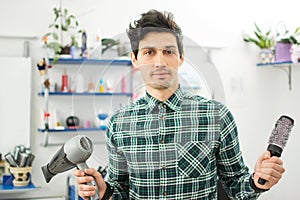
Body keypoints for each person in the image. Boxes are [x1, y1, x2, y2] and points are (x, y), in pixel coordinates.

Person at [73, 10, 285, 199]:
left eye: (168, 51)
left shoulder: (217, 116)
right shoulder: (118, 124)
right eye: (149, 52)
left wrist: (256, 182)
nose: (160, 62)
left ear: (181, 58)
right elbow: (120, 190)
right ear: (134, 59)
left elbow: (236, 187)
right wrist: (105, 192)